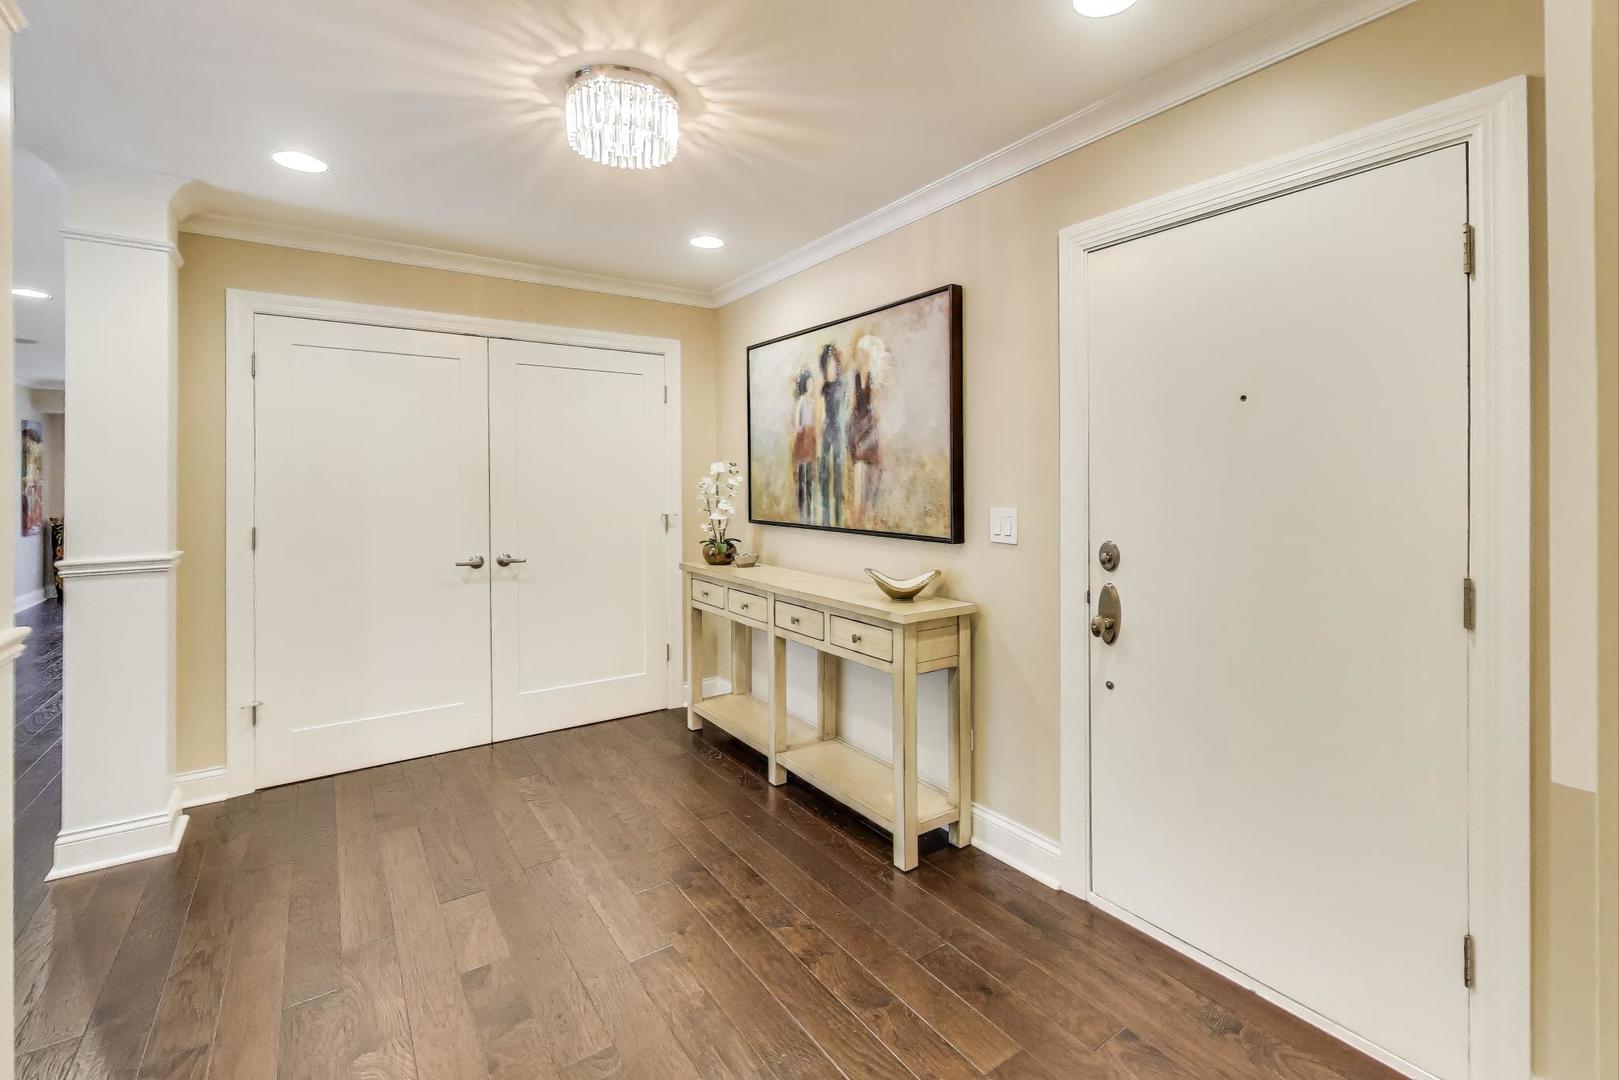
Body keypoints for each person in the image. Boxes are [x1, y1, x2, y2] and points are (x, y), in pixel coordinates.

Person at [848, 333, 888, 528]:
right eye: (860, 353)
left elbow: (876, 410)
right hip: (857, 428)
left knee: (872, 473)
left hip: (868, 428)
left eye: (864, 353)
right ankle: (859, 519)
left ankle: (868, 519)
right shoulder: (855, 376)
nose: (861, 356)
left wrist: (872, 430)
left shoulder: (874, 378)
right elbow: (852, 405)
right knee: (859, 470)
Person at [817, 343, 847, 527]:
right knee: (824, 475)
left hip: (838, 433)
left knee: (837, 474)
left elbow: (845, 410)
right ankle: (825, 516)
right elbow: (821, 414)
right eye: (827, 365)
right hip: (827, 433)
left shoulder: (842, 385)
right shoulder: (825, 387)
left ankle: (838, 516)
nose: (831, 368)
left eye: (833, 364)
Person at [791, 368, 817, 521]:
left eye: (812, 383)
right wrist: (801, 431)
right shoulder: (801, 401)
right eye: (809, 383)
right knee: (802, 474)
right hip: (802, 439)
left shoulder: (813, 402)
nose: (811, 386)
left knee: (809, 476)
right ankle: (802, 509)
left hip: (810, 438)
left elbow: (815, 422)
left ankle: (809, 507)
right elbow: (797, 423)